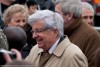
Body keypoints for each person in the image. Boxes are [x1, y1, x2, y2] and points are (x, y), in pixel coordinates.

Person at [3, 10, 88, 67]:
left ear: (55, 32)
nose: (34, 36)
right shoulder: (35, 50)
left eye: (38, 31)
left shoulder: (74, 56)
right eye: (33, 31)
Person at [55, 0, 100, 67]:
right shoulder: (58, 31)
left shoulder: (91, 36)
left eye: (57, 13)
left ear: (69, 15)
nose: (54, 17)